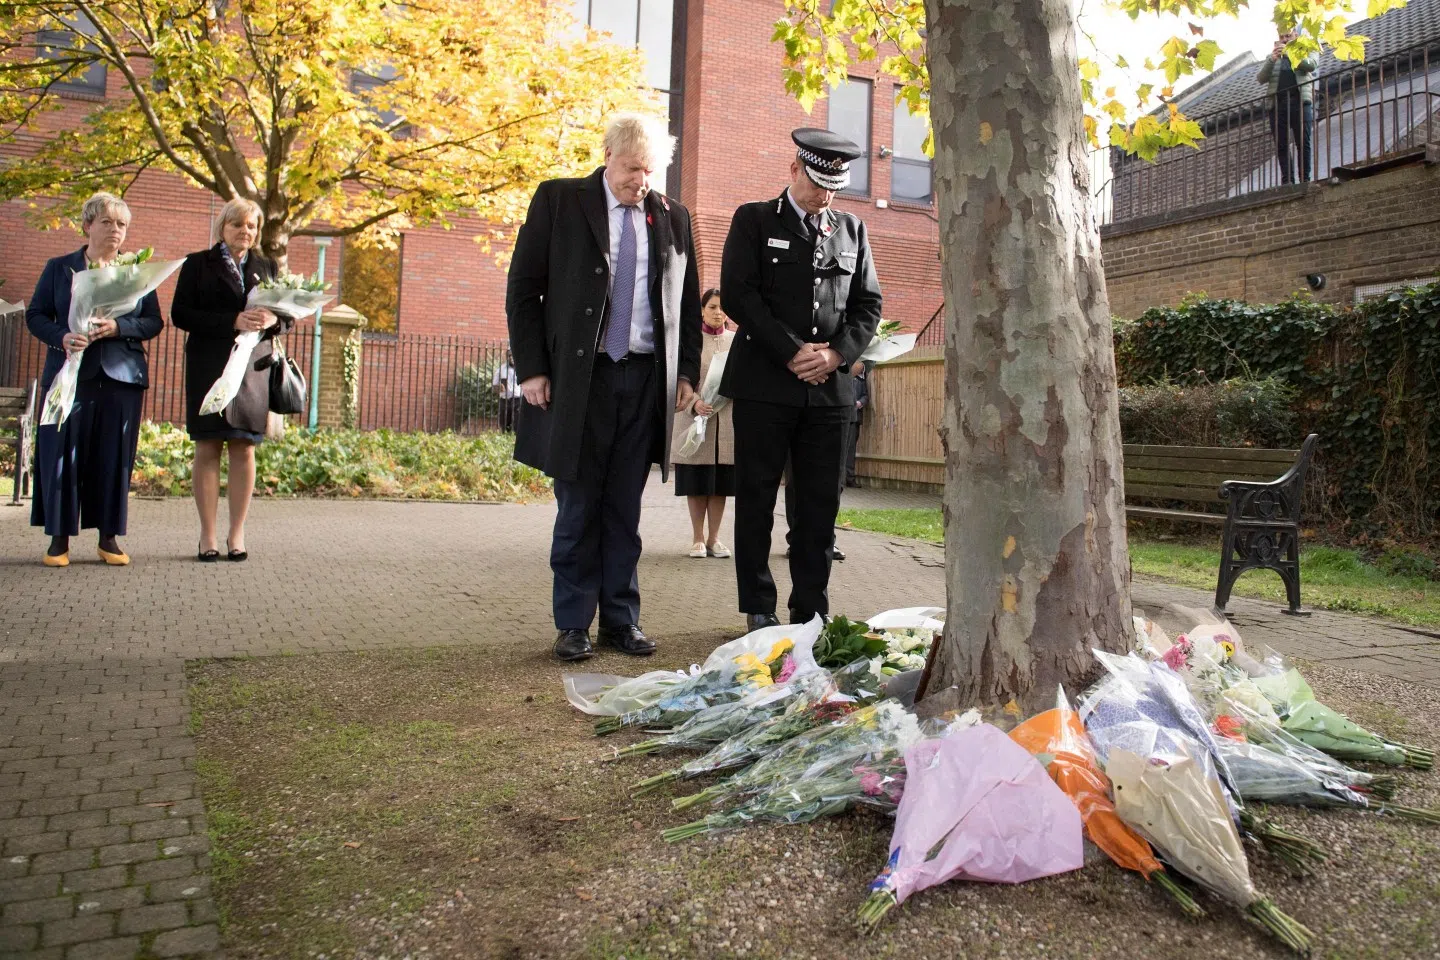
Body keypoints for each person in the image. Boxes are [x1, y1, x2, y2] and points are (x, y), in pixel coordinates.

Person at [507, 112, 702, 662]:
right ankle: (573, 624)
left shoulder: (672, 217)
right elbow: (523, 291)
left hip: (643, 381)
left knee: (625, 509)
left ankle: (622, 619)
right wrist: (532, 369)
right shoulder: (559, 201)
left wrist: (684, 373)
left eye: (648, 171)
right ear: (608, 154)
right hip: (579, 381)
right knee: (578, 506)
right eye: (631, 168)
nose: (639, 181)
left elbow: (685, 305)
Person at [720, 128, 883, 632]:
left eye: (834, 187)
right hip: (765, 386)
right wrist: (793, 351)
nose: (825, 196)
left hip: (828, 394)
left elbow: (868, 304)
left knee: (818, 506)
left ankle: (810, 610)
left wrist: (835, 354)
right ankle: (759, 608)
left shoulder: (852, 229)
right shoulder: (753, 219)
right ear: (795, 170)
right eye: (817, 184)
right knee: (757, 500)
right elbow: (738, 296)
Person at [26, 192, 163, 567]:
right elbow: (35, 314)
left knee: (113, 456)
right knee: (62, 453)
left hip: (121, 377)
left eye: (121, 224)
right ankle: (59, 540)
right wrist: (62, 337)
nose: (115, 230)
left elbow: (153, 321)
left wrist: (119, 326)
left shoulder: (136, 271)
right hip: (70, 374)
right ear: (88, 225)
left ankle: (108, 538)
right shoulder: (59, 267)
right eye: (107, 222)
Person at [171, 198, 290, 563]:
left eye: (252, 226)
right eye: (238, 224)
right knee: (208, 447)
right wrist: (232, 321)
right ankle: (207, 536)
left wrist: (274, 321)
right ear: (223, 227)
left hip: (253, 370)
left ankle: (236, 534)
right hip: (209, 365)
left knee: (244, 448)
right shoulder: (197, 264)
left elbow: (288, 316)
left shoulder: (266, 266)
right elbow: (180, 314)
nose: (246, 231)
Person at [671, 288, 734, 559]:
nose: (718, 313)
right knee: (697, 482)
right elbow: (680, 376)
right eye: (712, 307)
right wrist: (696, 401)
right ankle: (697, 539)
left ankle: (714, 539)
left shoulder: (736, 341)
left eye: (722, 308)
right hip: (694, 418)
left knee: (720, 484)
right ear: (702, 310)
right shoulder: (690, 341)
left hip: (726, 420)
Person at [1257, 28, 1318, 185]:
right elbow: (1261, 78)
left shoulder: (1307, 49)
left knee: (1303, 142)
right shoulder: (1273, 57)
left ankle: (1305, 179)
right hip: (1278, 104)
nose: (1284, 39)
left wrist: (1291, 53)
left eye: (1288, 36)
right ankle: (1287, 180)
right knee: (1281, 145)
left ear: (1296, 36)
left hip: (1299, 101)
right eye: (1282, 37)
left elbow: (1311, 66)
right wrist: (1272, 59)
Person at [846, 359, 867, 486]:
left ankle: (850, 478)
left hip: (855, 418)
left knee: (851, 450)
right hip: (842, 417)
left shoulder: (861, 380)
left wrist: (860, 403)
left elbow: (866, 395)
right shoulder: (843, 377)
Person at [492, 349, 521, 432]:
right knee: (504, 423)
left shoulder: (522, 368)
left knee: (517, 424)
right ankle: (505, 439)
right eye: (509, 356)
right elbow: (494, 386)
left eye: (513, 355)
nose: (511, 357)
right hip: (505, 400)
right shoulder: (501, 369)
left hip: (518, 400)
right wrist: (499, 388)